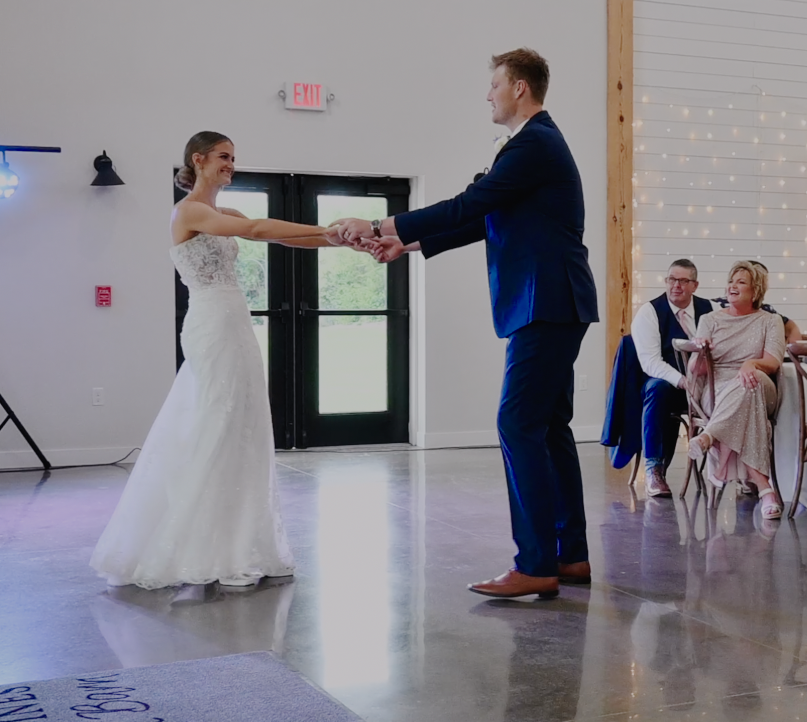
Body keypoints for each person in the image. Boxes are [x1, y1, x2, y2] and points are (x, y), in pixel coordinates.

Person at [330, 48, 599, 599]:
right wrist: (405, 241)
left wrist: (380, 220)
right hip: (552, 300)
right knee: (547, 427)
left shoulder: (535, 144)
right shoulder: (534, 146)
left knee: (517, 424)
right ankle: (568, 555)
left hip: (544, 301)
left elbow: (470, 202)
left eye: (495, 84)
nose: (488, 93)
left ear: (520, 87)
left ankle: (535, 563)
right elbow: (488, 217)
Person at [91, 131, 357, 589]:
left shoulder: (221, 213)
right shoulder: (190, 210)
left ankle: (237, 542)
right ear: (198, 159)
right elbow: (258, 230)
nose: (231, 164)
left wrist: (341, 238)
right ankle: (200, 546)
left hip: (234, 322)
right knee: (216, 421)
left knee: (242, 424)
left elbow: (281, 237)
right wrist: (334, 229)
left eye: (234, 158)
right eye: (224, 157)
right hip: (211, 323)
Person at [686, 261, 786, 520]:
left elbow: (773, 363)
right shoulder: (709, 320)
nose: (732, 286)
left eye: (741, 282)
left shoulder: (770, 321)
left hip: (760, 382)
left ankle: (709, 436)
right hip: (718, 389)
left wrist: (750, 364)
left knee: (750, 382)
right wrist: (700, 351)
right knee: (745, 393)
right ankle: (766, 491)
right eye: (731, 281)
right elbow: (698, 372)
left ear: (756, 291)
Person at [630, 259, 718, 498]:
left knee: (739, 390)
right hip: (667, 384)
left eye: (683, 280)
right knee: (657, 389)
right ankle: (654, 469)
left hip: (704, 384)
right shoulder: (649, 312)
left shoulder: (711, 309)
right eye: (671, 279)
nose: (676, 285)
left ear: (695, 285)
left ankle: (740, 472)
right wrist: (681, 380)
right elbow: (650, 362)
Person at [711, 261, 802, 343]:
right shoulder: (715, 306)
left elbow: (791, 328)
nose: (733, 285)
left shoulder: (767, 313)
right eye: (732, 281)